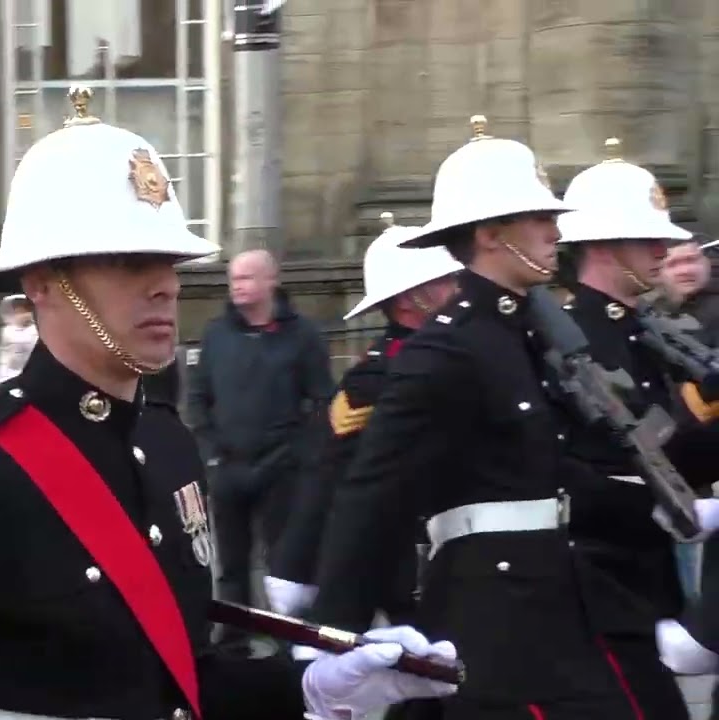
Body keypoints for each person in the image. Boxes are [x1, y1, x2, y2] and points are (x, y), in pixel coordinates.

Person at [0, 86, 458, 720]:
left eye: (167, 260)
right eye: (126, 261)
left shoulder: (167, 446)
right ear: (42, 283)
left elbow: (175, 684)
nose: (165, 285)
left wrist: (310, 686)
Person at [307, 116, 646, 719]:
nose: (555, 231)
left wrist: (660, 509)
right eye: (538, 218)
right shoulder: (447, 348)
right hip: (493, 614)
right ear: (491, 234)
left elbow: (549, 469)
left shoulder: (526, 333)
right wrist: (331, 638)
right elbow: (373, 494)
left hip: (558, 596)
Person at [555, 137, 719, 719]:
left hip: (644, 579)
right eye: (646, 239)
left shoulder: (641, 331)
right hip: (593, 581)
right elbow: (571, 467)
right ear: (603, 246)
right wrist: (667, 507)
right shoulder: (568, 338)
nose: (663, 250)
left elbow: (670, 450)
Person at [265, 212, 462, 622]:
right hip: (407, 557)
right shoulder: (376, 376)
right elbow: (330, 471)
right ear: (408, 299)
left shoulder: (454, 353)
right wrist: (298, 564)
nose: (458, 290)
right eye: (444, 281)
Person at [188, 247, 335, 626]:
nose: (237, 285)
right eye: (233, 278)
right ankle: (234, 639)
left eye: (246, 277)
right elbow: (198, 396)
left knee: (284, 564)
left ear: (271, 280)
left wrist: (303, 453)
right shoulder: (217, 334)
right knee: (231, 564)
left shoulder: (302, 335)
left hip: (282, 467)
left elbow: (323, 400)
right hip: (228, 466)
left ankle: (290, 639)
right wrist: (210, 452)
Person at [0, 293, 38, 384]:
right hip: (10, 374)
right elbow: (5, 357)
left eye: (25, 310)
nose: (22, 314)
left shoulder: (36, 329)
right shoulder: (8, 331)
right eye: (18, 311)